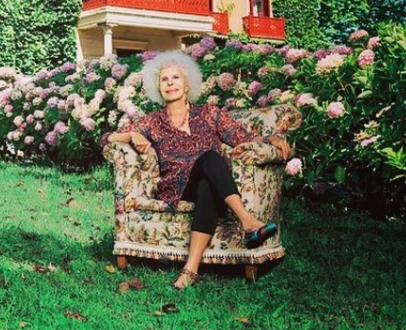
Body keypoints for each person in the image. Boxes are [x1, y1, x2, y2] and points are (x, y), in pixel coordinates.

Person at [105, 51, 292, 290]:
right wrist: (130, 134)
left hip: (210, 184)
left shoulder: (210, 114)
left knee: (208, 178)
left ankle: (189, 270)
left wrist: (271, 139)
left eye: (176, 78)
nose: (170, 83)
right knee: (211, 159)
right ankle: (248, 222)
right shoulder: (152, 121)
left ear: (187, 84)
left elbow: (242, 138)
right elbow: (107, 138)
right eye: (165, 79)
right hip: (178, 188)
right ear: (158, 87)